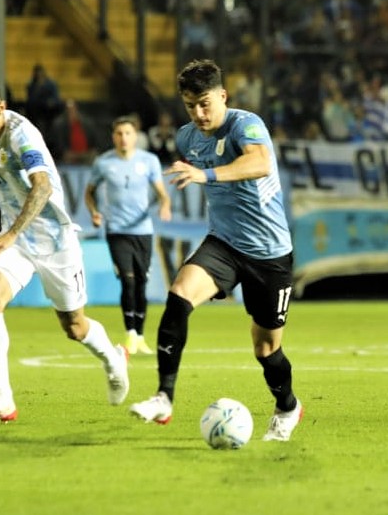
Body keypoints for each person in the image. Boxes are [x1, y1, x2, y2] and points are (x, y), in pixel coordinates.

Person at [128, 60, 303, 442]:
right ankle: (164, 397)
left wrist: (204, 175)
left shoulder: (246, 124)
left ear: (223, 96)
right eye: (190, 105)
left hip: (269, 252)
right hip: (223, 243)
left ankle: (287, 406)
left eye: (205, 103)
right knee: (178, 295)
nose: (199, 113)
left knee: (266, 348)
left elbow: (259, 162)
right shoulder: (188, 137)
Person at [0, 78, 129, 422]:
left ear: (1, 107)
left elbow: (41, 188)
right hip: (14, 240)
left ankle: (113, 359)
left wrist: (12, 234)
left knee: (74, 327)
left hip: (55, 240)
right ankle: (4, 398)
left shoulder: (21, 135)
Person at [85, 116, 173, 357]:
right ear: (113, 136)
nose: (123, 138)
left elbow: (162, 194)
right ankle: (130, 334)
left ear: (136, 136)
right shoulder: (104, 163)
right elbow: (89, 193)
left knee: (141, 283)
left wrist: (165, 205)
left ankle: (141, 336)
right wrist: (94, 212)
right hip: (116, 230)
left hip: (142, 231)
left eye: (127, 133)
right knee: (128, 279)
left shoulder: (149, 161)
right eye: (119, 133)